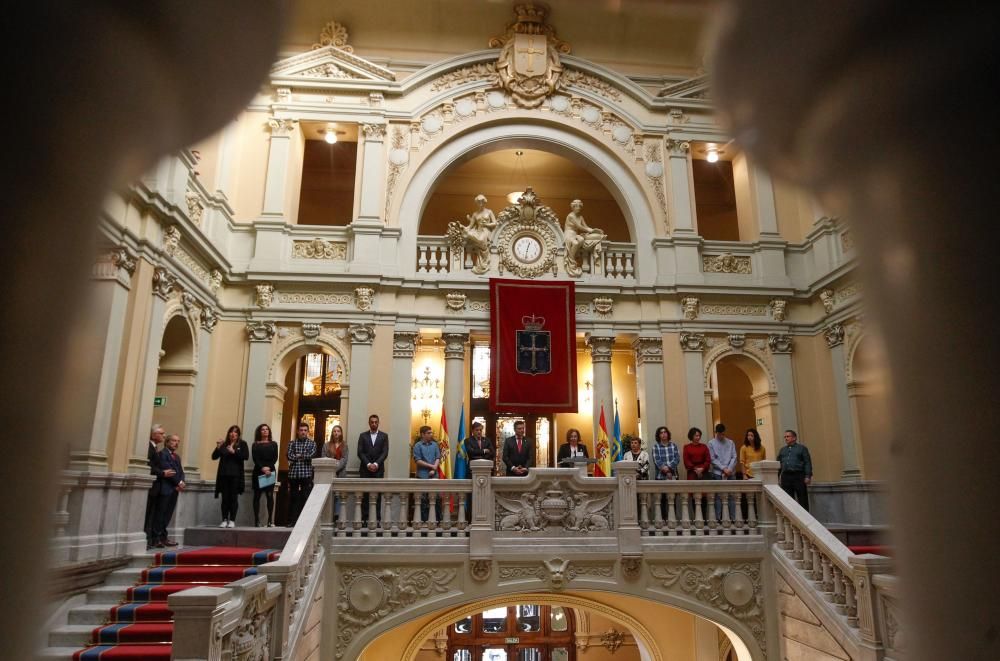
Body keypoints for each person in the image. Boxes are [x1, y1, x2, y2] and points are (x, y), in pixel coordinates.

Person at [151, 434, 186, 548]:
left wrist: (182, 482)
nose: (176, 443)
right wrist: (179, 483)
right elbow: (168, 470)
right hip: (165, 488)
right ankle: (156, 538)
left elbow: (180, 471)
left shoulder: (177, 456)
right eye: (174, 441)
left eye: (178, 441)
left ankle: (163, 537)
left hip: (174, 489)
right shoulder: (162, 454)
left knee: (168, 515)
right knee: (160, 514)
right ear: (167, 442)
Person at [212, 424, 249, 528]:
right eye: (231, 432)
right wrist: (218, 447)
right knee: (225, 498)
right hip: (224, 475)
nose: (233, 434)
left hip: (236, 475)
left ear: (238, 434)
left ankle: (232, 520)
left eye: (235, 432)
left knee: (233, 498)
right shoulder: (224, 444)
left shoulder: (242, 444)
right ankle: (224, 519)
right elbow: (214, 457)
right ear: (228, 433)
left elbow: (245, 456)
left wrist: (234, 452)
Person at [357, 414, 388, 524]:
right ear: (369, 423)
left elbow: (385, 453)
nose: (374, 424)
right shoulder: (363, 436)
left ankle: (377, 519)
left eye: (376, 422)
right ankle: (365, 519)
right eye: (372, 422)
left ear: (378, 423)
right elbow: (360, 452)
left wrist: (376, 464)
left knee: (378, 495)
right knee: (365, 495)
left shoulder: (384, 436)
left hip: (378, 470)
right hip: (365, 470)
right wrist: (368, 464)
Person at [563, 199, 606, 276]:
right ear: (573, 207)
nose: (578, 208)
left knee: (582, 239)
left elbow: (585, 226)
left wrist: (595, 231)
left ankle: (572, 259)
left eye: (579, 207)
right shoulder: (571, 216)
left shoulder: (580, 217)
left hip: (575, 234)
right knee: (576, 243)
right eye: (576, 206)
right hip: (569, 234)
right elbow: (580, 227)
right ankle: (571, 261)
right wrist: (592, 230)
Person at [286, 421, 316, 526]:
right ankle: (292, 521)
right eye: (301, 430)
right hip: (293, 474)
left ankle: (304, 522)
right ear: (298, 431)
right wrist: (302, 456)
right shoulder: (292, 443)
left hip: (306, 474)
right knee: (293, 498)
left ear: (308, 432)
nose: (303, 432)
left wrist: (299, 455)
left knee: (305, 497)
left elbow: (311, 455)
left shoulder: (312, 443)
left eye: (305, 430)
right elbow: (289, 456)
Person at [777, 429, 813, 512]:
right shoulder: (782, 450)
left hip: (798, 475)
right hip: (786, 476)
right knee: (788, 499)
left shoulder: (802, 448)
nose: (786, 438)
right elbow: (778, 464)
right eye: (785, 437)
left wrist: (808, 476)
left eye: (788, 436)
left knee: (802, 498)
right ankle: (791, 520)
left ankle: (805, 519)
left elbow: (807, 462)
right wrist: (777, 477)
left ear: (794, 438)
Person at [461, 194, 497, 274]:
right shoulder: (475, 214)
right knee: (469, 234)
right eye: (478, 202)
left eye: (482, 202)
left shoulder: (489, 211)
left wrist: (486, 224)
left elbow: (495, 223)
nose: (480, 203)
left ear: (484, 202)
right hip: (479, 231)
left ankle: (484, 263)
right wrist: (463, 227)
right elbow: (470, 226)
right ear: (477, 203)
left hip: (486, 231)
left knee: (481, 240)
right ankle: (482, 264)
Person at [412, 425, 442, 522]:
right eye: (429, 433)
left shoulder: (435, 445)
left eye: (431, 432)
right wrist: (431, 466)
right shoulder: (417, 445)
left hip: (434, 476)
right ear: (423, 434)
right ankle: (424, 522)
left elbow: (438, 457)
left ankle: (437, 522)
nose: (431, 434)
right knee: (423, 501)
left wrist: (434, 468)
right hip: (422, 476)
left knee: (436, 500)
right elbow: (418, 460)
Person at [144, 424, 166, 549]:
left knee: (152, 515)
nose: (163, 435)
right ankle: (146, 540)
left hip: (156, 488)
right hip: (151, 487)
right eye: (161, 433)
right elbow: (149, 465)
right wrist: (162, 473)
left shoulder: (155, 448)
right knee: (147, 515)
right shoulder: (148, 447)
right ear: (153, 434)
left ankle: (149, 539)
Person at [708, 423, 737, 521]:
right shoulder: (711, 443)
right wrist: (723, 469)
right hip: (718, 473)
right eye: (719, 434)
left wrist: (729, 469)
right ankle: (718, 518)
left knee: (732, 496)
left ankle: (733, 518)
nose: (721, 436)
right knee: (718, 497)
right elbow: (712, 459)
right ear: (716, 433)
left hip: (730, 472)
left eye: (723, 434)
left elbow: (734, 457)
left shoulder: (730, 442)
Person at [251, 423, 278, 527]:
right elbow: (255, 458)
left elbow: (275, 458)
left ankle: (270, 520)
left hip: (270, 472)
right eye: (263, 429)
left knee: (269, 496)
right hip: (258, 471)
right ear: (260, 432)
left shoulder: (273, 444)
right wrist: (262, 467)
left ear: (269, 432)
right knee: (257, 496)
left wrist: (268, 468)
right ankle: (256, 520)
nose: (265, 431)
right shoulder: (255, 444)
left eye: (267, 429)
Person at [651, 426, 680, 521]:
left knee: (672, 499)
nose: (663, 434)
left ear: (668, 434)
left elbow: (677, 459)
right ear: (658, 435)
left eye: (665, 432)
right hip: (660, 477)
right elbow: (657, 460)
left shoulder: (674, 446)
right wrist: (666, 471)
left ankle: (672, 518)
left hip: (673, 476)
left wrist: (669, 469)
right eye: (661, 433)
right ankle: (663, 519)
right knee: (662, 499)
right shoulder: (655, 447)